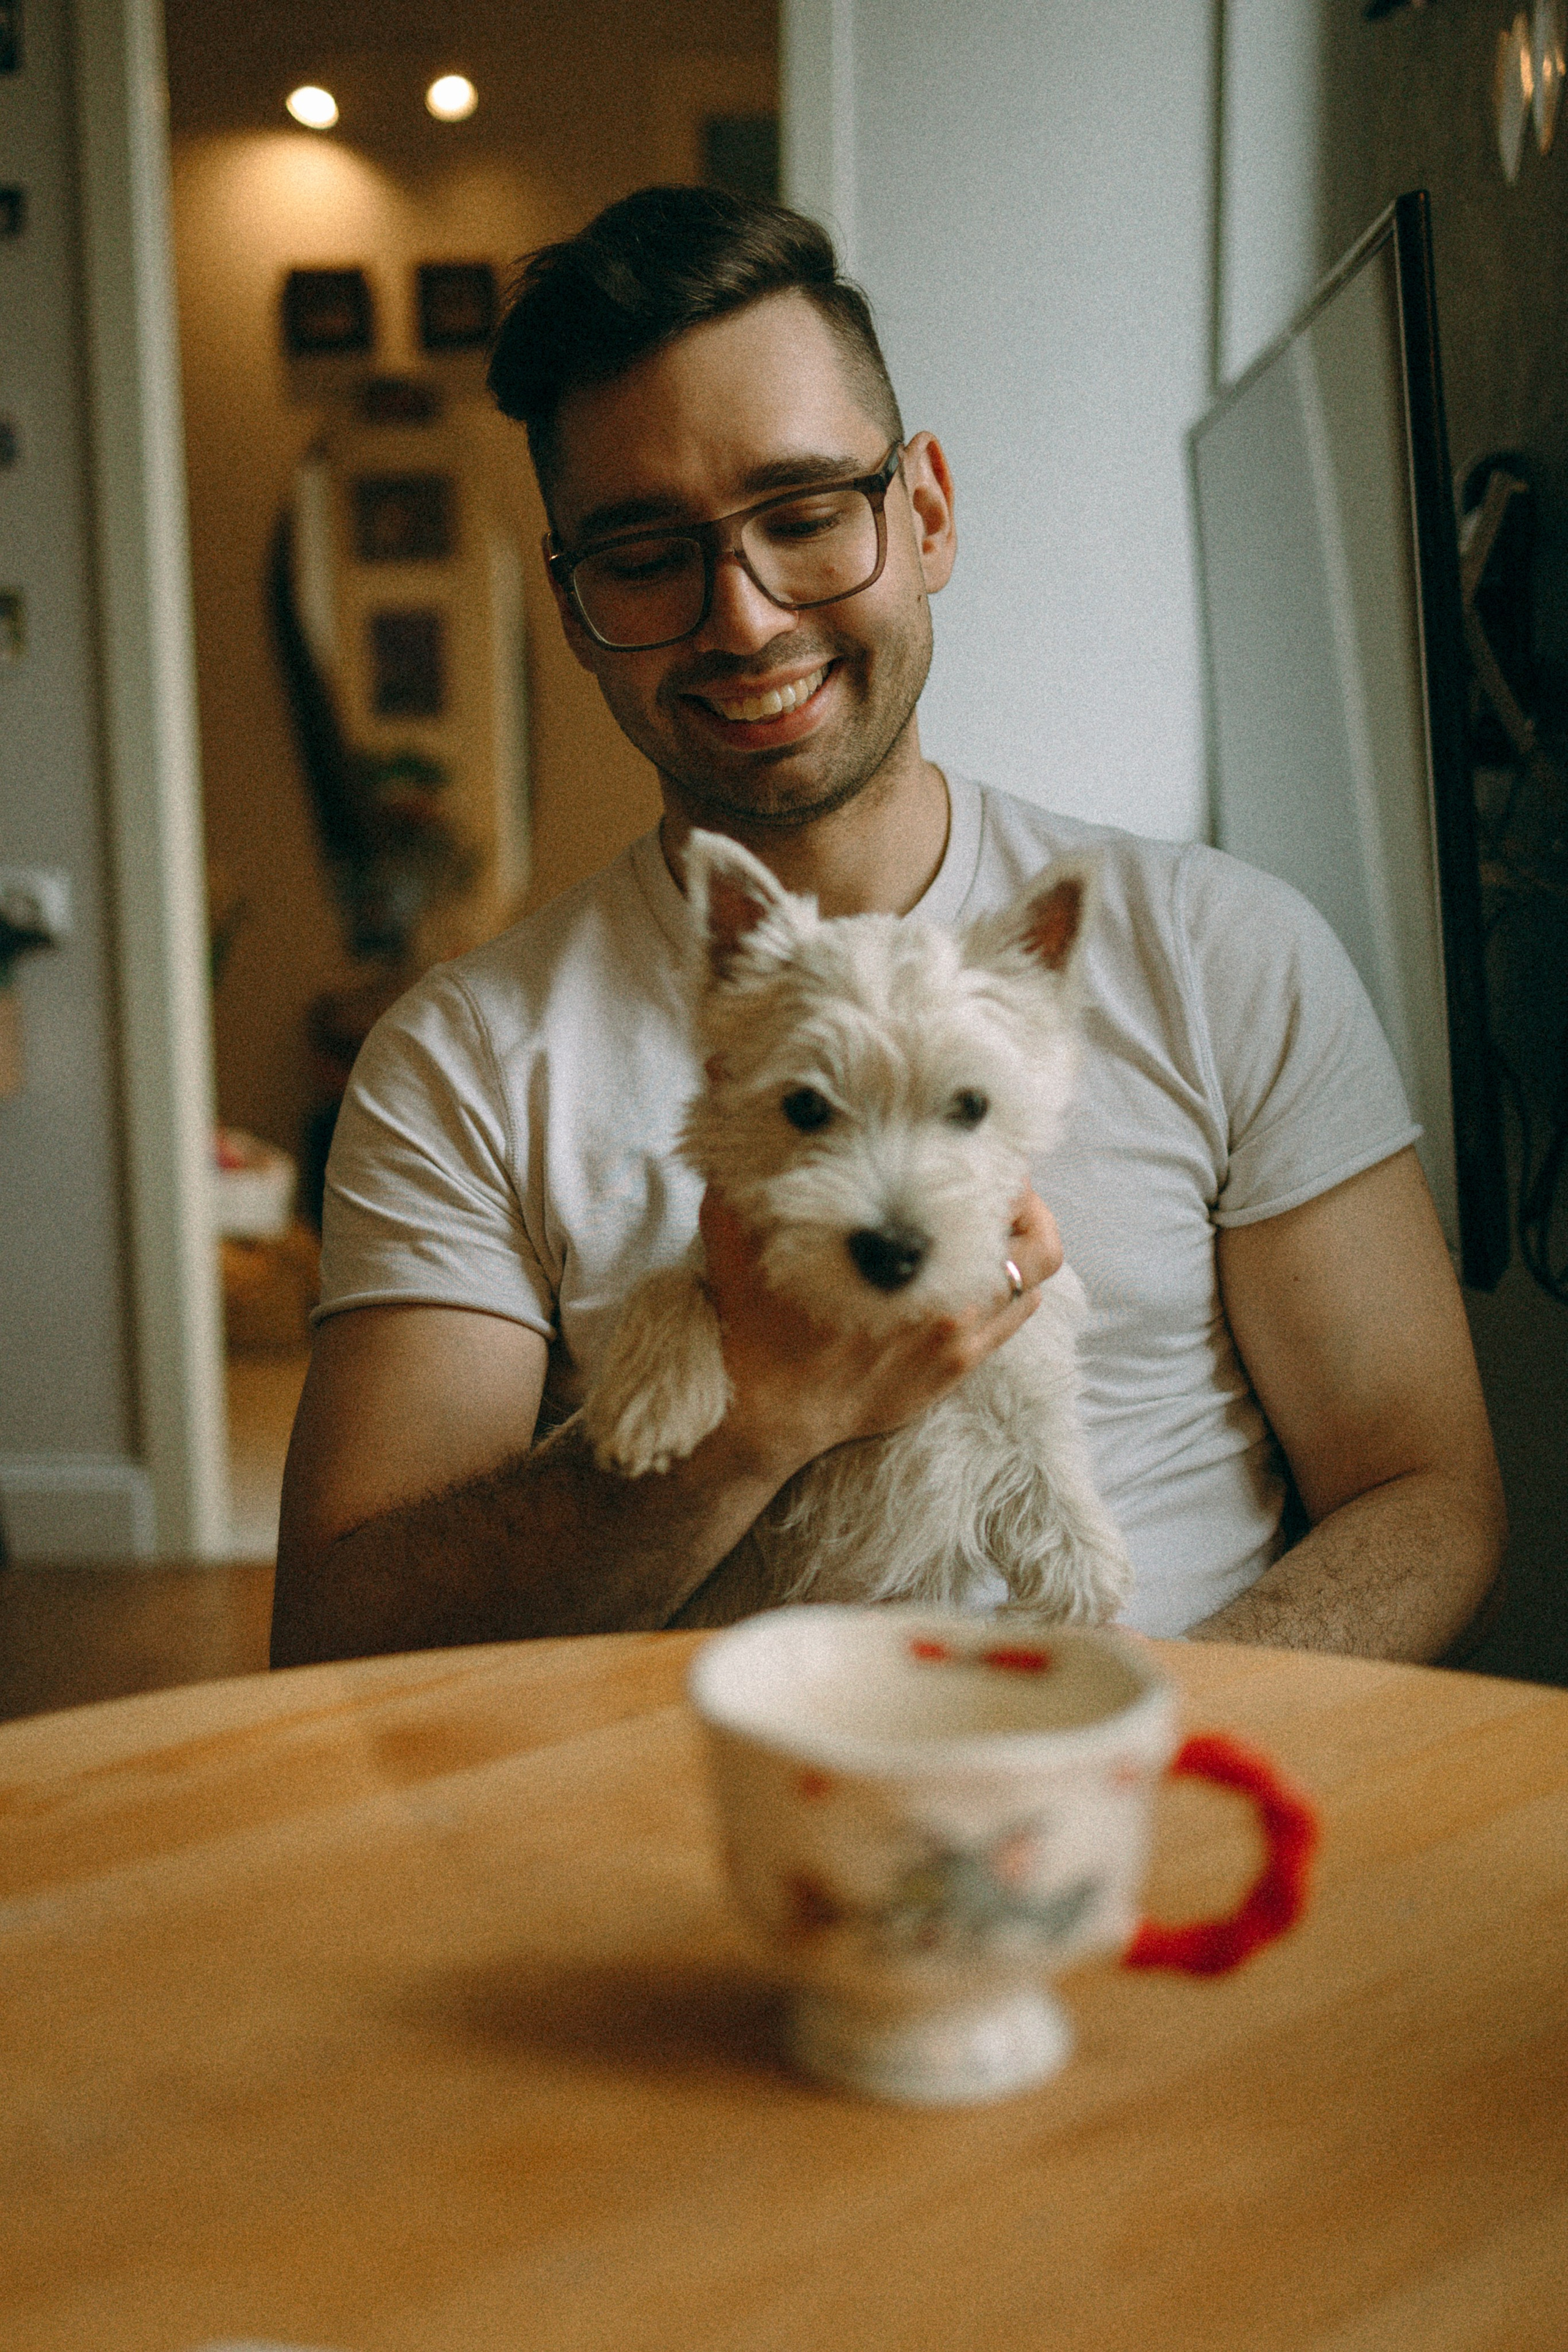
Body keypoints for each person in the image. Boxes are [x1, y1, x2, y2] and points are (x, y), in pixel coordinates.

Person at [271, 187, 1504, 1670]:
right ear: (571, 597)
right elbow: (346, 1641)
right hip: (698, 1822)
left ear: (920, 511)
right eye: (646, 553)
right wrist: (756, 1417)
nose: (739, 618)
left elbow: (1424, 1497)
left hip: (1166, 1796)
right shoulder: (463, 1061)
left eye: (800, 516)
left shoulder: (1223, 950)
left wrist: (1150, 1769)